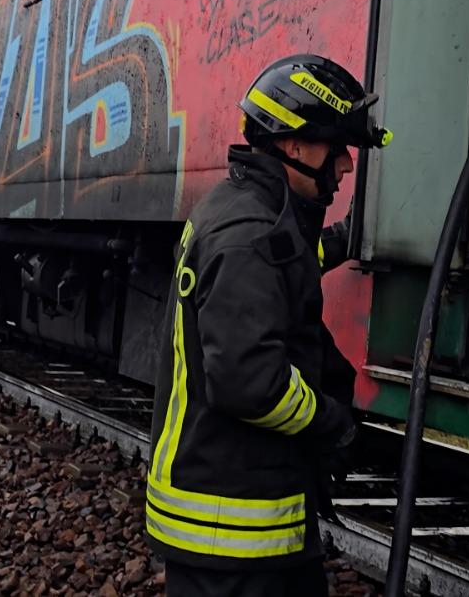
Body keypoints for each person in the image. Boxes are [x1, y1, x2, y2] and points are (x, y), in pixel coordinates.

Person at [145, 54, 393, 597]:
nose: (346, 166)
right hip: (231, 536)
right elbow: (249, 382)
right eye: (337, 148)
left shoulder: (249, 211)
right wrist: (334, 424)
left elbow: (284, 279)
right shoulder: (248, 231)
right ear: (295, 145)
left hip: (241, 522)